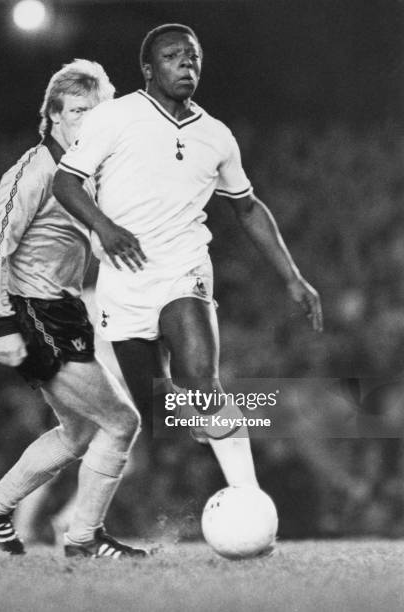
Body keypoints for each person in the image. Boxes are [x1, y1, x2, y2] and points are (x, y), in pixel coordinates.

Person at [53, 25, 323, 497]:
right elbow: (66, 183)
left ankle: (249, 498)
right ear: (149, 68)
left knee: (202, 380)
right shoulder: (116, 118)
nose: (186, 64)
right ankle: (207, 422)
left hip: (183, 267)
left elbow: (248, 207)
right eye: (173, 56)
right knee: (157, 412)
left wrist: (293, 277)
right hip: (123, 279)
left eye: (193, 56)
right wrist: (105, 227)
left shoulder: (216, 136)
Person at [0, 59, 146, 559]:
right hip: (32, 313)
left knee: (80, 431)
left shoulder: (83, 173)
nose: (90, 121)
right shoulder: (35, 169)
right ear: (54, 116)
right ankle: (84, 538)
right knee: (121, 422)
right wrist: (3, 323)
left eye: (99, 111)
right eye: (78, 110)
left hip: (62, 312)